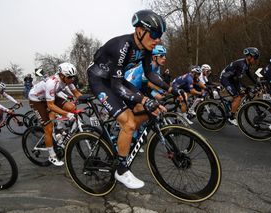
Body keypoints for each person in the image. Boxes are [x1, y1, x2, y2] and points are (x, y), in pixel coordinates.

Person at [87, 10, 182, 189]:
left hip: (117, 80)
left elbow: (149, 74)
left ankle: (122, 140)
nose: (158, 39)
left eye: (160, 35)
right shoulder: (123, 46)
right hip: (100, 80)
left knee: (145, 111)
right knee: (129, 123)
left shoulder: (146, 49)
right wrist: (146, 100)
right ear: (139, 30)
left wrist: (171, 89)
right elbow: (116, 87)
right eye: (154, 34)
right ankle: (121, 170)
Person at [28, 62, 82, 166]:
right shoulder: (52, 83)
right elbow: (51, 105)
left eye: (73, 77)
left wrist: (90, 101)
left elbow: (77, 93)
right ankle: (52, 156)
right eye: (70, 77)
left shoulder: (68, 80)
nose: (72, 79)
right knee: (48, 128)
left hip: (48, 97)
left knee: (71, 107)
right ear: (61, 75)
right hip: (36, 100)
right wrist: (66, 114)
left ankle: (58, 130)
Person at [220, 47, 260, 126]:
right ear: (249, 57)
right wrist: (242, 88)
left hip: (232, 78)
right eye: (255, 58)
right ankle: (231, 118)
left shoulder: (246, 63)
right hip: (225, 79)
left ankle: (231, 105)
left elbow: (249, 74)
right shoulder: (241, 65)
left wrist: (256, 83)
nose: (255, 61)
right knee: (238, 97)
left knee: (241, 94)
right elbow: (237, 80)